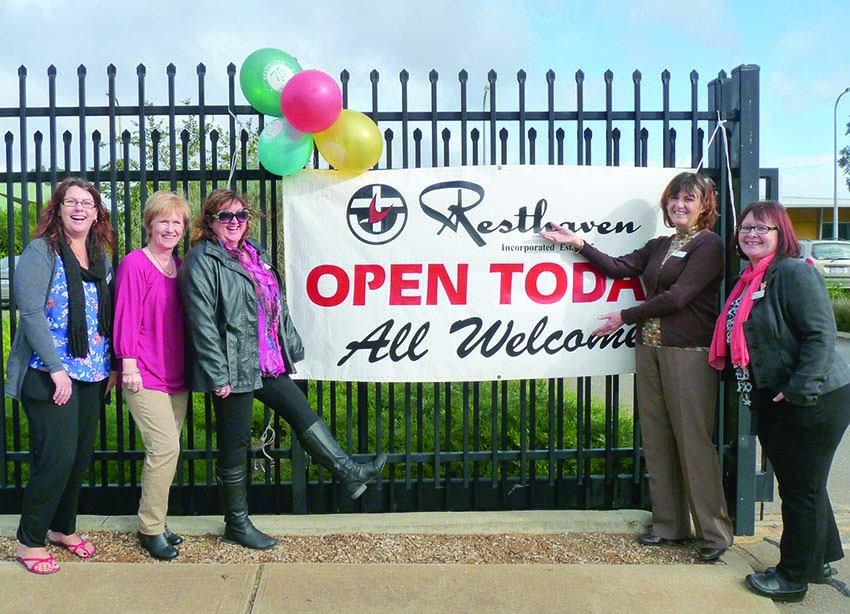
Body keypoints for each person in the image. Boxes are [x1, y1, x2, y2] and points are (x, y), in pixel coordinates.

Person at [178, 189, 388, 550]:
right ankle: (237, 524)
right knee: (236, 443)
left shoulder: (252, 253)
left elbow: (273, 303)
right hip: (231, 366)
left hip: (264, 360)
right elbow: (201, 322)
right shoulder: (202, 260)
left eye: (241, 216)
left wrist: (288, 344)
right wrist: (218, 374)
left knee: (301, 411)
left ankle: (348, 473)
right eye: (225, 217)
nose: (234, 223)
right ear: (209, 221)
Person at [540, 172, 734, 562]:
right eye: (674, 198)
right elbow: (617, 267)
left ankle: (713, 535)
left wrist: (626, 315)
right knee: (659, 440)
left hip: (688, 354)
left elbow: (679, 297)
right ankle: (669, 526)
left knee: (693, 443)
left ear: (704, 206)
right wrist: (578, 244)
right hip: (648, 352)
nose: (679, 205)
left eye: (689, 199)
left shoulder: (708, 245)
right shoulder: (661, 245)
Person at [709, 201, 850, 603]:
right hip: (780, 395)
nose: (752, 234)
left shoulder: (790, 272)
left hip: (812, 397)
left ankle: (792, 578)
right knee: (806, 484)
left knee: (799, 491)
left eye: (763, 228)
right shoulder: (752, 277)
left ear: (781, 233)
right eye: (747, 228)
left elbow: (821, 335)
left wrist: (798, 391)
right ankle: (818, 558)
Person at [6, 177, 117, 574]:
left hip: (92, 373)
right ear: (58, 209)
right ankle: (29, 540)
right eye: (71, 202)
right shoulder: (42, 251)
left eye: (87, 203)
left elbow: (105, 314)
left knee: (78, 458)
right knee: (56, 458)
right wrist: (57, 369)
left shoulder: (97, 255)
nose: (80, 209)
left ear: (96, 212)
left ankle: (62, 529)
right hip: (49, 374)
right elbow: (31, 313)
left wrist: (113, 367)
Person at [113, 191, 191, 560]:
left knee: (167, 454)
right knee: (164, 448)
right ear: (149, 224)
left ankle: (158, 519)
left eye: (177, 222)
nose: (171, 228)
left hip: (177, 373)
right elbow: (126, 316)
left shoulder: (181, 266)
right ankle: (149, 528)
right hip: (144, 374)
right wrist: (127, 364)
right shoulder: (136, 264)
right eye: (164, 221)